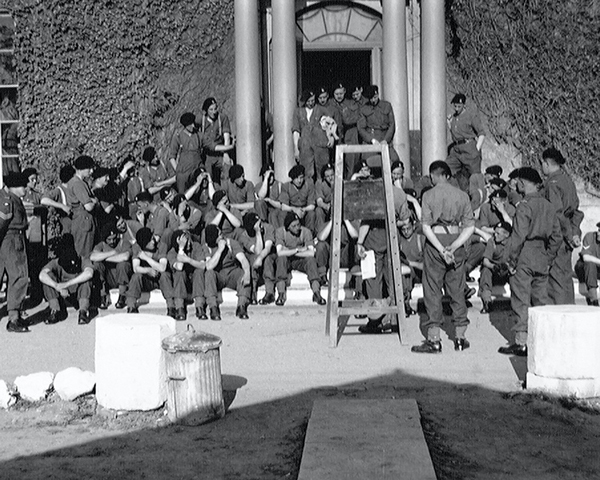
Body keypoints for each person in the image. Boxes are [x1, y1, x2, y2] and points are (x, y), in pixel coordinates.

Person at [411, 160, 475, 353]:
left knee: (432, 290)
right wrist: (453, 247)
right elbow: (470, 227)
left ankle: (434, 339)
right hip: (456, 238)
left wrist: (440, 249)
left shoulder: (428, 195)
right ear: (448, 176)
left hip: (435, 241)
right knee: (457, 290)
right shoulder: (462, 196)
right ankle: (460, 338)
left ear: (433, 176)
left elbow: (426, 227)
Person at [498, 167, 561, 357]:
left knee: (521, 300)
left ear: (523, 183)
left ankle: (521, 342)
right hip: (542, 255)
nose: (516, 185)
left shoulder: (524, 206)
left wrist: (511, 261)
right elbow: (557, 237)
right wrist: (548, 257)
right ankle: (541, 341)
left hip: (525, 255)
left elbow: (518, 237)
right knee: (541, 300)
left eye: (517, 182)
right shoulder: (549, 206)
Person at [355, 156, 411, 334]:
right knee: (393, 280)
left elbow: (366, 221)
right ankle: (395, 320)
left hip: (373, 239)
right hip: (392, 240)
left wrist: (359, 242)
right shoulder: (399, 193)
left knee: (373, 281)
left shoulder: (371, 192)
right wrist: (392, 222)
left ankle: (375, 320)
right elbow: (406, 220)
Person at [540, 147, 583, 305]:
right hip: (567, 237)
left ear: (546, 163)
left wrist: (569, 235)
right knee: (565, 279)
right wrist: (575, 233)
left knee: (556, 280)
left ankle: (560, 318)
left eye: (542, 163)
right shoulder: (568, 181)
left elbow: (557, 214)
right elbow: (576, 212)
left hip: (557, 237)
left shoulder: (551, 184)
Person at [39, 234, 94, 325]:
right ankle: (55, 309)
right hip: (62, 293)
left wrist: (67, 284)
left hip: (77, 292)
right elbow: (42, 275)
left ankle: (83, 312)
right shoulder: (55, 262)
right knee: (48, 277)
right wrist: (57, 286)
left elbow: (89, 273)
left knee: (86, 280)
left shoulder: (82, 259)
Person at [0, 172, 30, 332]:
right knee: (18, 276)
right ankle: (13, 319)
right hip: (12, 241)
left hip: (9, 240)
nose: (26, 187)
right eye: (23, 185)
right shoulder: (7, 200)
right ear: (13, 187)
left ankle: (14, 316)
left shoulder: (9, 198)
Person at [275, 212, 325, 306]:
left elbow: (311, 253)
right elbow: (280, 252)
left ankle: (316, 293)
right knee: (281, 259)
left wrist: (290, 251)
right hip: (287, 260)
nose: (297, 228)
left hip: (300, 260)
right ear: (288, 227)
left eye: (298, 224)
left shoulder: (305, 232)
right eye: (294, 226)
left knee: (311, 261)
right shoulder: (280, 232)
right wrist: (298, 250)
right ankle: (281, 294)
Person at [203, 224, 252, 320]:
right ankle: (213, 308)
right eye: (219, 235)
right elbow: (209, 266)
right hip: (218, 276)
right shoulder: (206, 247)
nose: (221, 237)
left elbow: (243, 259)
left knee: (243, 273)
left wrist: (247, 272)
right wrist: (220, 250)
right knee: (209, 274)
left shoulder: (231, 243)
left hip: (231, 273)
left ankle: (241, 306)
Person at [126, 227, 175, 317]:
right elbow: (135, 268)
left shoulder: (161, 246)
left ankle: (171, 306)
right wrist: (147, 270)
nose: (153, 242)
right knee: (136, 276)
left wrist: (146, 258)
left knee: (165, 275)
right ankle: (131, 306)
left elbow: (162, 267)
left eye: (152, 239)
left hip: (159, 279)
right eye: (149, 241)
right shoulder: (137, 248)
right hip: (146, 280)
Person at [232, 212, 277, 305]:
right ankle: (253, 294)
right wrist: (258, 233)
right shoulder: (243, 236)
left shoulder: (268, 228)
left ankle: (270, 292)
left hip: (268, 256)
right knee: (252, 259)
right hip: (253, 259)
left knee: (267, 258)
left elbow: (268, 248)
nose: (260, 226)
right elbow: (257, 251)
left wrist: (260, 258)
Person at [446, 93, 486, 191]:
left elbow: (481, 133)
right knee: (445, 169)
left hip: (469, 149)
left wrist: (476, 149)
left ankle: (479, 197)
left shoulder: (471, 116)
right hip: (456, 150)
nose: (456, 108)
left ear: (464, 105)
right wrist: (449, 124)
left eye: (459, 106)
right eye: (455, 106)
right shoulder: (454, 117)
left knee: (475, 177)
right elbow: (456, 134)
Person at [89, 222, 132, 310]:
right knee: (97, 265)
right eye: (109, 239)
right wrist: (112, 253)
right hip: (108, 278)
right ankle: (103, 296)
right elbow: (93, 257)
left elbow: (125, 256)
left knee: (123, 264)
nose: (112, 241)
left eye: (114, 238)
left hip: (121, 276)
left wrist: (103, 257)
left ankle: (122, 296)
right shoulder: (101, 245)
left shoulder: (124, 243)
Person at [167, 229, 207, 321]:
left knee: (198, 271)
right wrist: (181, 249)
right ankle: (180, 308)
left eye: (188, 240)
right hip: (181, 284)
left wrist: (189, 260)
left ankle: (199, 307)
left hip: (196, 282)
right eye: (185, 241)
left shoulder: (196, 246)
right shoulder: (172, 253)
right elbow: (179, 267)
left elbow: (202, 266)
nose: (188, 243)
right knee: (179, 273)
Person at [292, 89, 330, 181]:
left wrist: (329, 139)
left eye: (312, 100)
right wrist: (296, 149)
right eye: (308, 101)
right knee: (307, 171)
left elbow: (330, 126)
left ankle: (322, 190)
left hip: (320, 144)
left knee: (322, 170)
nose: (311, 103)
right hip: (305, 144)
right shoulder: (298, 112)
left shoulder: (322, 110)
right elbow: (296, 131)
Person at [66, 155, 98, 258]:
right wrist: (95, 201)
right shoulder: (77, 184)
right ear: (81, 169)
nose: (91, 171)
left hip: (84, 221)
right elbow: (89, 206)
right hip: (83, 222)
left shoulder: (80, 183)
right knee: (84, 254)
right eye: (89, 168)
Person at [357, 85, 398, 162]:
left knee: (395, 160)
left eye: (375, 97)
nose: (373, 100)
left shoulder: (386, 105)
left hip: (385, 138)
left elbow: (392, 125)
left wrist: (386, 140)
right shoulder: (363, 109)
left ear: (378, 94)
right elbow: (361, 128)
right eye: (371, 98)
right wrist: (372, 140)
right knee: (367, 162)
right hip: (371, 139)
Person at [478, 221, 512, 314]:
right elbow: (485, 261)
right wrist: (494, 266)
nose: (495, 235)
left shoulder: (512, 242)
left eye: (498, 233)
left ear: (506, 234)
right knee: (485, 271)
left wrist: (509, 267)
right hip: (495, 272)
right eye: (495, 233)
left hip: (507, 271)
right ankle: (487, 301)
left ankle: (516, 302)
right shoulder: (491, 242)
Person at [200, 98, 234, 185]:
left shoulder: (222, 118)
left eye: (215, 109)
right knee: (208, 176)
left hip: (220, 152)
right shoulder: (201, 119)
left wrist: (226, 154)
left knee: (227, 168)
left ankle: (226, 192)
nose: (214, 112)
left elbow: (227, 137)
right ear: (206, 110)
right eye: (211, 109)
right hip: (207, 154)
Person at [169, 112, 204, 194]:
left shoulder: (198, 135)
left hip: (196, 169)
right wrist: (178, 170)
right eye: (190, 124)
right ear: (185, 125)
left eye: (193, 123)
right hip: (183, 171)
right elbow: (172, 156)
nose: (193, 126)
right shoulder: (178, 136)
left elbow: (209, 144)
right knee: (182, 194)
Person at [279, 165, 317, 235]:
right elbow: (283, 206)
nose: (299, 181)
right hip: (291, 211)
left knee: (312, 214)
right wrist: (295, 210)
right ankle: (284, 236)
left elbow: (312, 205)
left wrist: (303, 210)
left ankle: (310, 236)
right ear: (292, 179)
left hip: (305, 210)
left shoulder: (309, 185)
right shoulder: (286, 186)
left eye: (301, 178)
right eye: (296, 178)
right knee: (282, 214)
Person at [41, 165, 74, 237]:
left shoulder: (74, 189)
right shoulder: (59, 191)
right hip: (66, 226)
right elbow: (44, 200)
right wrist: (62, 206)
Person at [575, 222, 600, 306]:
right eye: (599, 230)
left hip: (597, 269)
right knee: (590, 264)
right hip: (584, 267)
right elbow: (586, 257)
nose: (599, 233)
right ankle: (593, 300)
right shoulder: (590, 237)